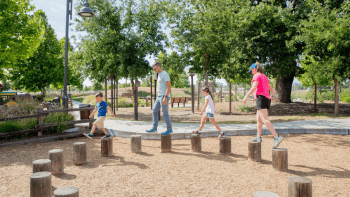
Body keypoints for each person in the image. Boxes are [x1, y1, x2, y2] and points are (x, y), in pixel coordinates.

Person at [242, 62, 283, 148]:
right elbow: (271, 88)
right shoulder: (264, 76)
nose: (251, 72)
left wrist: (246, 96)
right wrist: (272, 96)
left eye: (252, 71)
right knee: (259, 119)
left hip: (261, 98)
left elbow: (254, 87)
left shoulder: (256, 75)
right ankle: (258, 137)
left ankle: (277, 137)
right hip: (267, 99)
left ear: (255, 69)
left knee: (264, 119)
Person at [146, 62, 173, 135]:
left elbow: (169, 86)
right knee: (154, 110)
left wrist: (165, 97)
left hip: (164, 96)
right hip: (159, 96)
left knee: (165, 113)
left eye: (155, 69)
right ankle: (154, 128)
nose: (154, 70)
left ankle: (169, 129)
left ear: (159, 67)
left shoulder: (165, 74)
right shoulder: (159, 74)